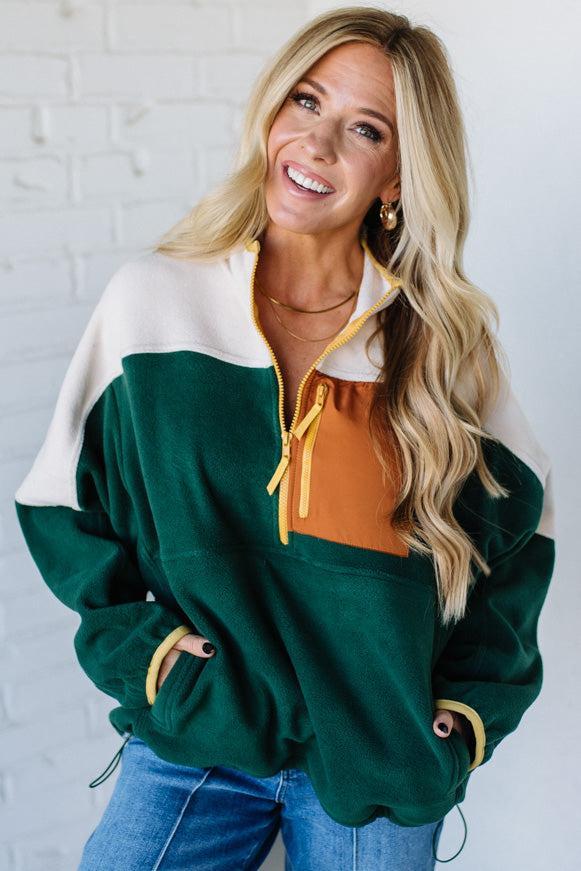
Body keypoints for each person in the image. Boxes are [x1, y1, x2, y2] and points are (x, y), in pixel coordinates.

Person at [14, 7, 556, 870]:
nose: (317, 142)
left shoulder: (443, 345)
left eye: (364, 128)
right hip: (200, 737)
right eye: (305, 102)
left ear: (397, 178)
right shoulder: (153, 303)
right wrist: (148, 658)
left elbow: (521, 540)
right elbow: (58, 503)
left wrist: (468, 707)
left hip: (376, 756)